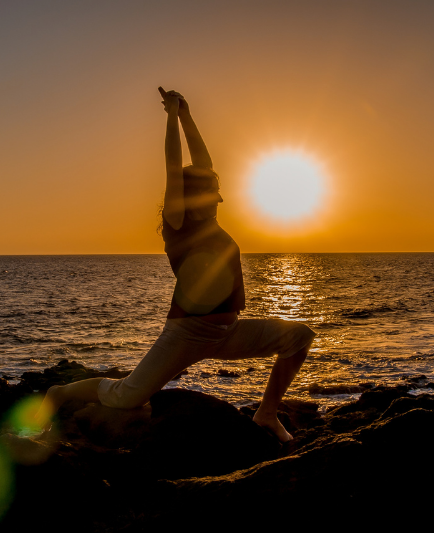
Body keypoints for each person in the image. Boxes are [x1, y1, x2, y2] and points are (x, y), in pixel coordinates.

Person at [34, 88, 315, 442]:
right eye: (212, 192)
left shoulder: (212, 222)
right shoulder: (179, 223)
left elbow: (204, 161)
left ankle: (267, 414)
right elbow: (172, 167)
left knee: (299, 337)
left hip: (226, 332)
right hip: (186, 334)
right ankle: (59, 393)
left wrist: (186, 114)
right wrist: (169, 117)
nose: (220, 197)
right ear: (192, 195)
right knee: (126, 397)